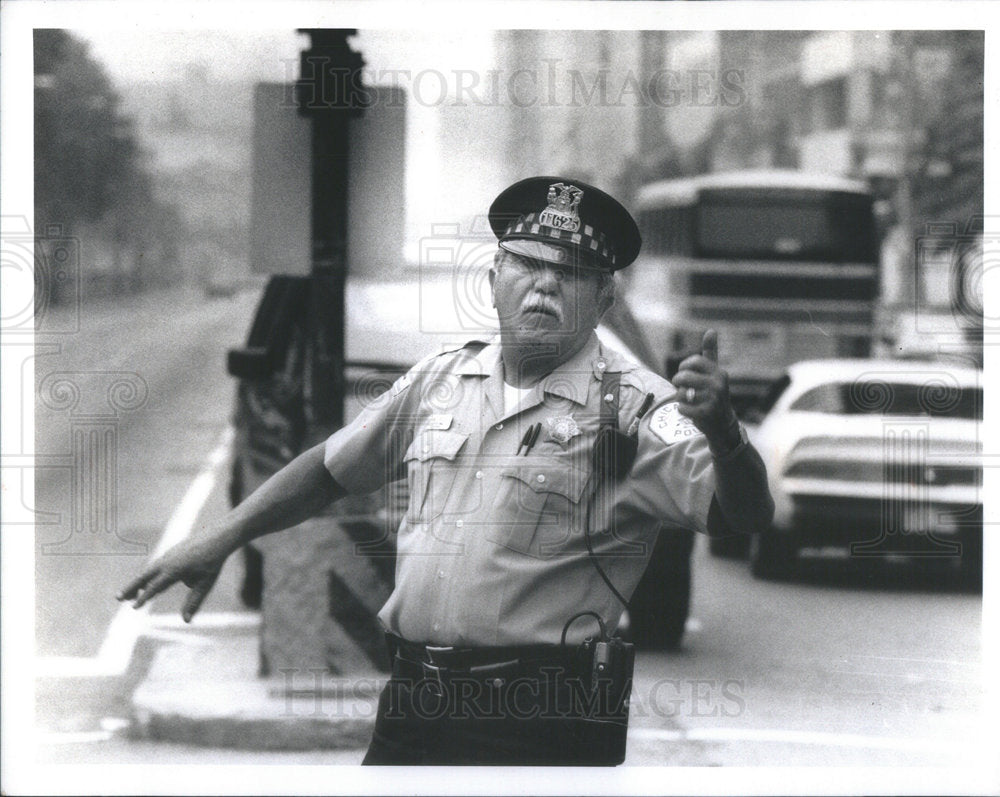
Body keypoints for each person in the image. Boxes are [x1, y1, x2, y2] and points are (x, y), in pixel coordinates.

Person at [118, 176, 774, 765]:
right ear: (493, 277)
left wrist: (724, 435)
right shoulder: (442, 379)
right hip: (415, 698)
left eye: (571, 273)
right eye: (527, 263)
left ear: (603, 298)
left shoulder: (636, 406)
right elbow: (329, 468)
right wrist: (223, 536)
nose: (545, 284)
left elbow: (741, 514)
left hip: (542, 718)